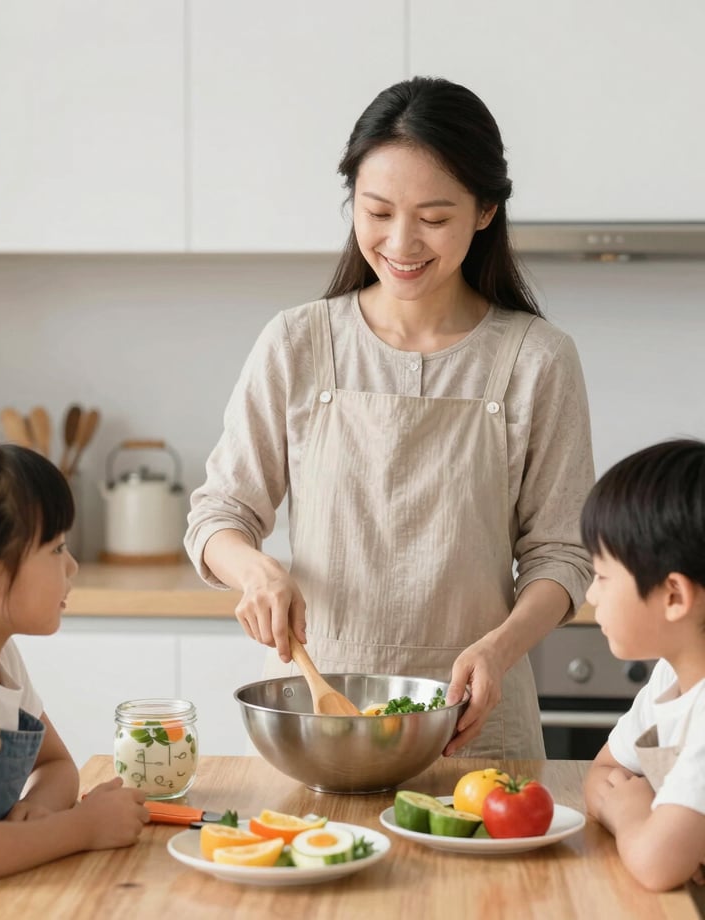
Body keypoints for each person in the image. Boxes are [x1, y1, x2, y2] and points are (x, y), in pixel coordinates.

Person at [185, 76, 594, 758]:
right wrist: (258, 574)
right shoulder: (298, 342)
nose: (402, 242)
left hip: (476, 730)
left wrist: (498, 650)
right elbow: (218, 515)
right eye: (377, 212)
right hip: (318, 719)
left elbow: (561, 555)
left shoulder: (537, 359)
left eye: (434, 218)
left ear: (486, 209)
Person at [0, 435, 149, 915]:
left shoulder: (0, 658)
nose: (72, 566)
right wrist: (84, 827)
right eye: (55, 549)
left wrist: (42, 813)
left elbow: (56, 766)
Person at [581, 439, 705, 893]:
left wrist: (631, 813)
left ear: (673, 595)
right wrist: (655, 826)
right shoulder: (670, 678)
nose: (591, 597)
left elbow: (655, 865)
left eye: (602, 576)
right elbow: (601, 774)